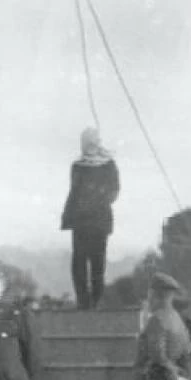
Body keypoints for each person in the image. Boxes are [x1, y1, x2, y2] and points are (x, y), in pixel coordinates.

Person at [61, 127, 120, 311]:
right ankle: (83, 302)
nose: (89, 147)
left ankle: (96, 301)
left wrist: (96, 200)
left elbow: (114, 191)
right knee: (79, 263)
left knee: (97, 263)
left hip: (98, 221)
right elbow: (75, 190)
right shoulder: (77, 165)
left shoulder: (109, 165)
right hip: (81, 221)